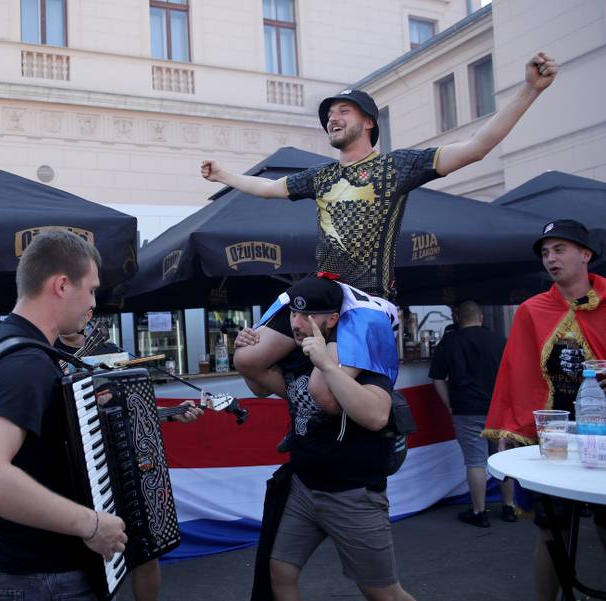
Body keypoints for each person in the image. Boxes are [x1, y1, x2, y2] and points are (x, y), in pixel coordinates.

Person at [209, 52, 558, 404]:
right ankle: (307, 411)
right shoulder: (321, 176)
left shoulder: (396, 166)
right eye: (329, 115)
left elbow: (476, 148)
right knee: (247, 358)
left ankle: (338, 411)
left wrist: (530, 89)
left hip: (368, 298)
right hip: (322, 294)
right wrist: (223, 174)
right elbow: (268, 189)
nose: (333, 118)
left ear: (369, 122)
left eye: (343, 111)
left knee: (323, 389)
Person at [0, 230, 127, 601]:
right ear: (63, 285)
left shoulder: (17, 347)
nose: (93, 304)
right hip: (43, 580)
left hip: (38, 574)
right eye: (92, 289)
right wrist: (91, 524)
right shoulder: (24, 362)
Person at [237, 277, 414, 601]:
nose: (297, 323)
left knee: (384, 594)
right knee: (280, 572)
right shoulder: (292, 356)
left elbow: (375, 416)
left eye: (308, 316)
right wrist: (244, 347)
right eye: (293, 314)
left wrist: (325, 365)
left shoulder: (359, 356)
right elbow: (261, 387)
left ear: (332, 320)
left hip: (352, 493)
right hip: (305, 487)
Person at [483, 219, 606, 601]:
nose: (550, 259)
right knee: (551, 529)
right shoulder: (532, 310)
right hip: (553, 437)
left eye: (559, 249)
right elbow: (516, 375)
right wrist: (509, 429)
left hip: (604, 435)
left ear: (585, 255)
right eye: (545, 253)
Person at [56, 313, 202, 601]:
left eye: (89, 310)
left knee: (144, 550)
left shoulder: (110, 351)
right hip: (82, 468)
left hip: (126, 462)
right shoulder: (47, 352)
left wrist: (174, 417)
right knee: (90, 558)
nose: (85, 313)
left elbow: (133, 406)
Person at [429, 300, 515, 527]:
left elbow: (437, 378)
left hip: (466, 410)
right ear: (481, 317)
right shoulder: (499, 340)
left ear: (458, 318)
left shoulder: (448, 343)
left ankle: (479, 512)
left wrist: (449, 404)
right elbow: (512, 377)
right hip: (498, 411)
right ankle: (509, 507)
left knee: (475, 461)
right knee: (503, 458)